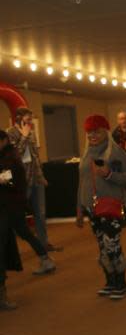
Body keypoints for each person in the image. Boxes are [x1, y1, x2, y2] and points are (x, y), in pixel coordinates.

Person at [76, 115, 126, 300]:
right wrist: (79, 209)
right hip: (92, 209)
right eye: (89, 132)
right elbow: (82, 183)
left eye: (96, 131)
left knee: (112, 246)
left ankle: (121, 283)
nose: (92, 135)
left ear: (105, 132)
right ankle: (110, 282)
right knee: (102, 247)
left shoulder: (116, 153)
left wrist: (109, 174)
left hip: (110, 207)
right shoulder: (87, 154)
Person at [0, 129, 56, 310]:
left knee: (18, 235)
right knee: (22, 233)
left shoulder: (11, 158)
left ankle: (45, 257)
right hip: (9, 206)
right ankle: (45, 257)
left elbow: (13, 184)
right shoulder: (9, 156)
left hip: (11, 207)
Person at [6, 107, 61, 252]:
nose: (30, 121)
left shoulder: (31, 132)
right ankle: (11, 249)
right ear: (18, 117)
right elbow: (14, 156)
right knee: (17, 215)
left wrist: (41, 176)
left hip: (36, 179)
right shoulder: (10, 133)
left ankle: (44, 244)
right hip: (22, 182)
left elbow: (35, 156)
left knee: (41, 214)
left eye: (31, 119)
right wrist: (23, 136)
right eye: (28, 119)